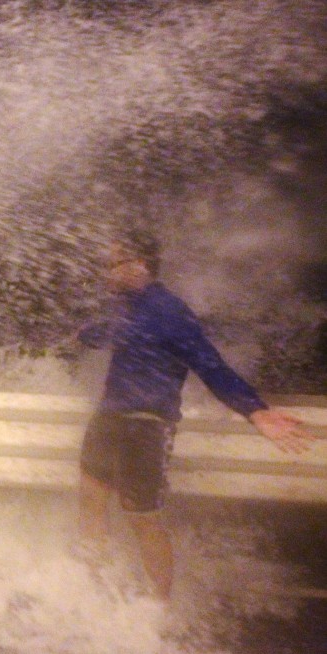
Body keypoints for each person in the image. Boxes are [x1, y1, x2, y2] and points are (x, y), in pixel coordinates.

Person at [76, 230, 314, 600]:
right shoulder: (126, 307)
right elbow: (100, 335)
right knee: (91, 499)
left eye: (114, 264)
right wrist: (85, 330)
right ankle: (92, 590)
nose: (107, 273)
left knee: (141, 518)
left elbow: (211, 366)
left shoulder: (171, 311)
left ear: (140, 266)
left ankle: (158, 610)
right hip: (109, 417)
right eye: (106, 265)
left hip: (147, 427)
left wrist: (255, 411)